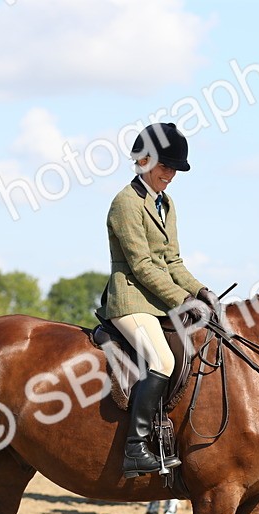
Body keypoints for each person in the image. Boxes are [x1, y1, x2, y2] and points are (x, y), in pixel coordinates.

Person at [100, 122, 219, 478]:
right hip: (131, 299)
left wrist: (201, 292)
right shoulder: (126, 202)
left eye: (174, 169)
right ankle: (136, 447)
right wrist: (183, 300)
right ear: (144, 159)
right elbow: (142, 265)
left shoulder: (165, 203)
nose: (170, 175)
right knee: (163, 359)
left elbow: (172, 262)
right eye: (165, 166)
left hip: (159, 300)